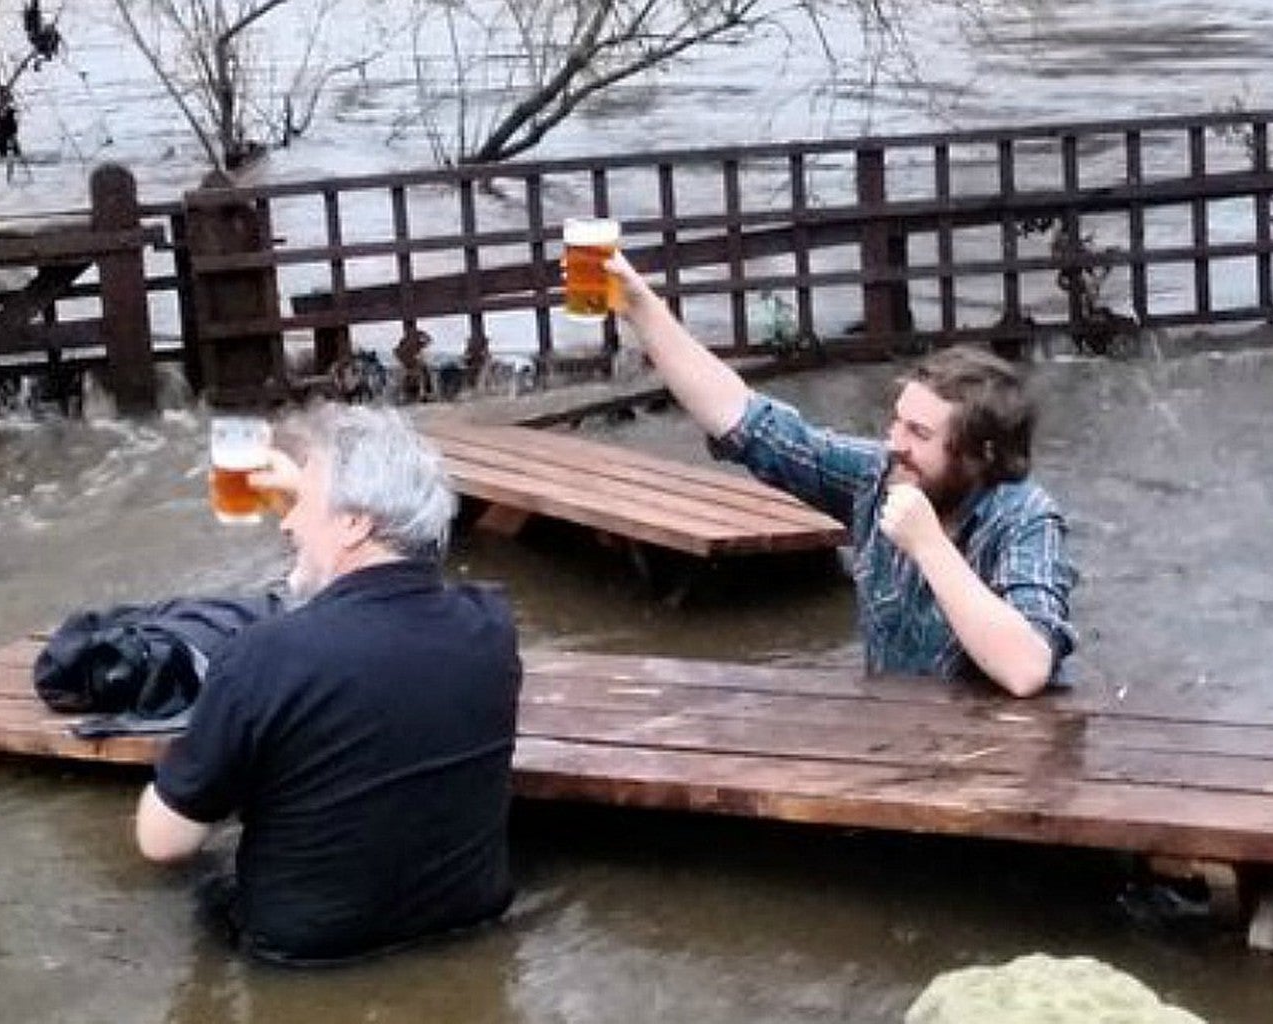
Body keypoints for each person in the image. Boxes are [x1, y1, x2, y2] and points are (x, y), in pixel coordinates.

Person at [134, 403, 522, 965]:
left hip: (305, 957)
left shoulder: (261, 656)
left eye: (303, 505)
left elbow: (163, 844)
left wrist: (181, 758)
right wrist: (314, 486)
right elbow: (410, 563)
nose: (287, 523)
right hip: (467, 924)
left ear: (355, 522)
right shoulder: (491, 624)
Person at [605, 255, 1078, 697]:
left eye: (918, 432)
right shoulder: (881, 474)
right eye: (896, 420)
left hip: (1002, 764)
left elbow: (1027, 669)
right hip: (892, 742)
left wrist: (928, 545)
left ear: (981, 453)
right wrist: (639, 305)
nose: (895, 442)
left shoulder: (1024, 517)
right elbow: (753, 426)